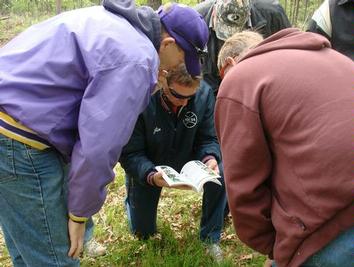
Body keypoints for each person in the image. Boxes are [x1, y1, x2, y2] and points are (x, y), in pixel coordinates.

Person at [0, 0, 209, 265]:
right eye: (183, 58)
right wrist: (79, 214)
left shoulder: (114, 23)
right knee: (54, 258)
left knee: (28, 251)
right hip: (18, 138)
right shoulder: (136, 57)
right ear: (167, 44)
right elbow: (98, 147)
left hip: (14, 117)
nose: (179, 66)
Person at [215, 29, 354, 267]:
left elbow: (243, 189)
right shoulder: (336, 59)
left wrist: (276, 249)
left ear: (229, 64)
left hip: (336, 223)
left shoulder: (240, 78)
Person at [119, 64, 227, 262]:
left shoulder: (203, 94)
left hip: (188, 155)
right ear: (164, 83)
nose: (185, 103)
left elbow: (209, 138)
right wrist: (149, 175)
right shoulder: (141, 98)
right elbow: (130, 153)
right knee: (143, 233)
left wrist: (210, 157)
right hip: (151, 162)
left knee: (221, 170)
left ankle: (210, 238)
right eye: (178, 96)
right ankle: (134, 200)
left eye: (190, 97)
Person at [195, 0, 290, 95]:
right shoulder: (196, 19)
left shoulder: (273, 13)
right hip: (209, 90)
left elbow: (287, 58)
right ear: (214, 13)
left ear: (249, 13)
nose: (226, 41)